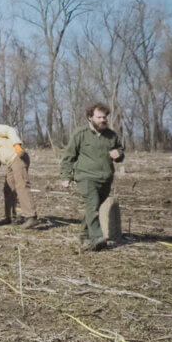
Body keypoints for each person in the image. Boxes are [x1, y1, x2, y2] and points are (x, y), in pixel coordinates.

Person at [60, 102, 125, 251]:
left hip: (106, 178)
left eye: (105, 117)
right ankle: (97, 238)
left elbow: (120, 152)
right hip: (86, 177)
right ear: (90, 117)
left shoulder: (111, 136)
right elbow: (69, 157)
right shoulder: (80, 134)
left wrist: (119, 155)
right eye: (99, 117)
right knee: (93, 204)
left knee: (92, 208)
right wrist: (66, 176)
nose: (103, 120)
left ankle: (84, 236)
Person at [0, 125, 38, 229]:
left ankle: (31, 216)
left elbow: (9, 130)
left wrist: (16, 144)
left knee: (21, 185)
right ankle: (9, 217)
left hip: (18, 157)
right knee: (8, 189)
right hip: (10, 164)